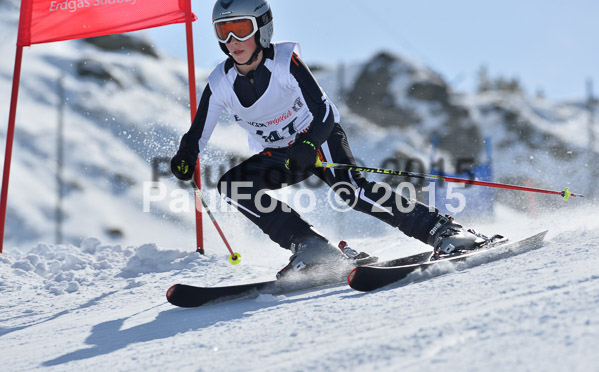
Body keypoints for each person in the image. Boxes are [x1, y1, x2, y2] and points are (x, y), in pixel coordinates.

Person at [171, 0, 488, 274]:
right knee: (233, 185)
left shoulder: (284, 61)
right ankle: (311, 248)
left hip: (318, 139)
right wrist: (186, 155)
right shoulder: (220, 82)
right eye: (222, 31)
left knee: (353, 192)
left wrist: (309, 143)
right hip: (284, 154)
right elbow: (197, 134)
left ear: (262, 29)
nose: (232, 40)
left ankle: (443, 230)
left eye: (240, 28)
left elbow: (325, 112)